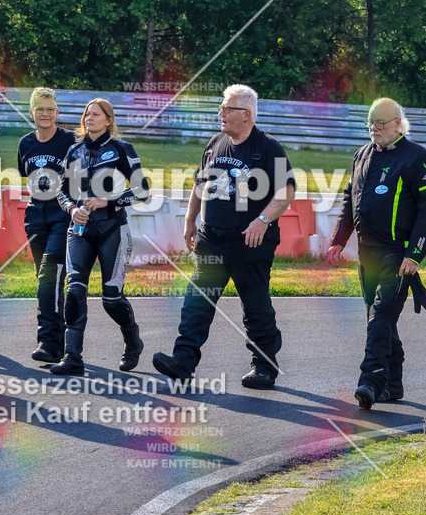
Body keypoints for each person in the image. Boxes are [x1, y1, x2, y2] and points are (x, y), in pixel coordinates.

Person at [152, 84, 296, 389]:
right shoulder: (215, 143)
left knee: (255, 306)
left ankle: (264, 365)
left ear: (246, 115)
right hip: (211, 239)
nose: (221, 113)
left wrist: (262, 220)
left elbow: (286, 192)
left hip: (249, 242)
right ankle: (183, 362)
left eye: (227, 109)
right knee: (197, 302)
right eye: (222, 108)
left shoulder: (268, 147)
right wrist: (191, 220)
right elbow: (199, 185)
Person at [326, 97, 426, 409]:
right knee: (380, 320)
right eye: (370, 123)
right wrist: (338, 240)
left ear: (399, 125)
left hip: (398, 255)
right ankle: (393, 384)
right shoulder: (361, 155)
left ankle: (370, 382)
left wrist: (414, 255)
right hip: (367, 255)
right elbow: (350, 202)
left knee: (379, 319)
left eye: (381, 123)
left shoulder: (419, 158)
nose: (374, 128)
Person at [50, 98, 150, 375]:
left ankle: (133, 343)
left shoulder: (122, 149)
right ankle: (72, 357)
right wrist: (71, 209)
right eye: (86, 114)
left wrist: (108, 201)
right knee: (74, 289)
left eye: (96, 114)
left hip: (113, 230)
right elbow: (61, 191)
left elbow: (142, 190)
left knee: (112, 300)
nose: (89, 118)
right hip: (79, 230)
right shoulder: (73, 150)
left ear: (108, 120)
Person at [18, 87, 77, 364]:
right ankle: (60, 339)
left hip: (62, 215)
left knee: (50, 277)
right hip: (35, 217)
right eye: (40, 109)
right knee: (46, 281)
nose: (45, 114)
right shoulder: (25, 144)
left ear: (57, 112)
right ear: (31, 112)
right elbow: (26, 178)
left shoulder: (70, 140)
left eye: (50, 108)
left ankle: (49, 342)